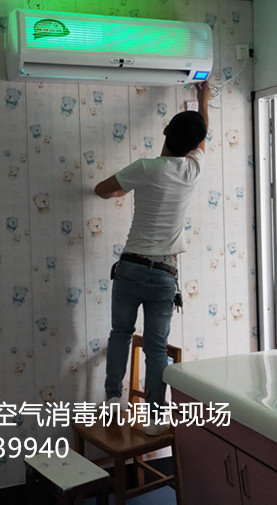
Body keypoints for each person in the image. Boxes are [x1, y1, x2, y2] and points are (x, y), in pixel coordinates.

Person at [94, 81, 210, 435]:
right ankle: (156, 418)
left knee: (120, 334)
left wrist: (119, 191)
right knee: (156, 348)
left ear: (165, 131)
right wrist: (204, 99)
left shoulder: (145, 168)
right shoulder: (192, 171)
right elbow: (202, 135)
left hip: (130, 268)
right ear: (194, 146)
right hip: (164, 275)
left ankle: (113, 399)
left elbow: (101, 189)